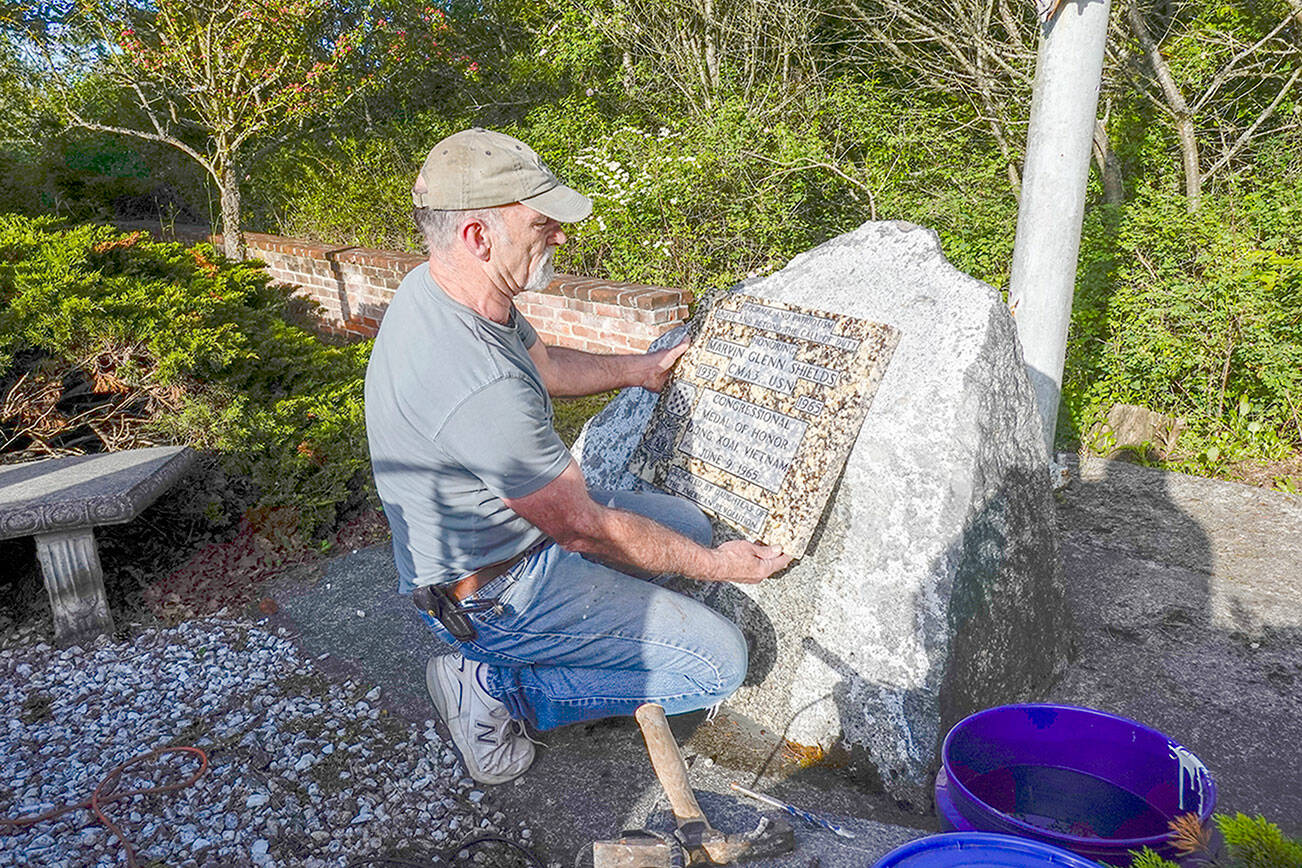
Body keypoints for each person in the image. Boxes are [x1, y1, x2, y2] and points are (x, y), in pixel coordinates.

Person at [364, 128, 791, 785]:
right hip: (493, 592)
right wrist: (721, 567)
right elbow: (583, 528)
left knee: (690, 528)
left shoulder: (451, 289)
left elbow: (544, 364)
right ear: (480, 236)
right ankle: (492, 687)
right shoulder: (475, 379)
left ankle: (546, 652)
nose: (561, 236)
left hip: (512, 542)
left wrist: (639, 368)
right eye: (542, 223)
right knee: (719, 663)